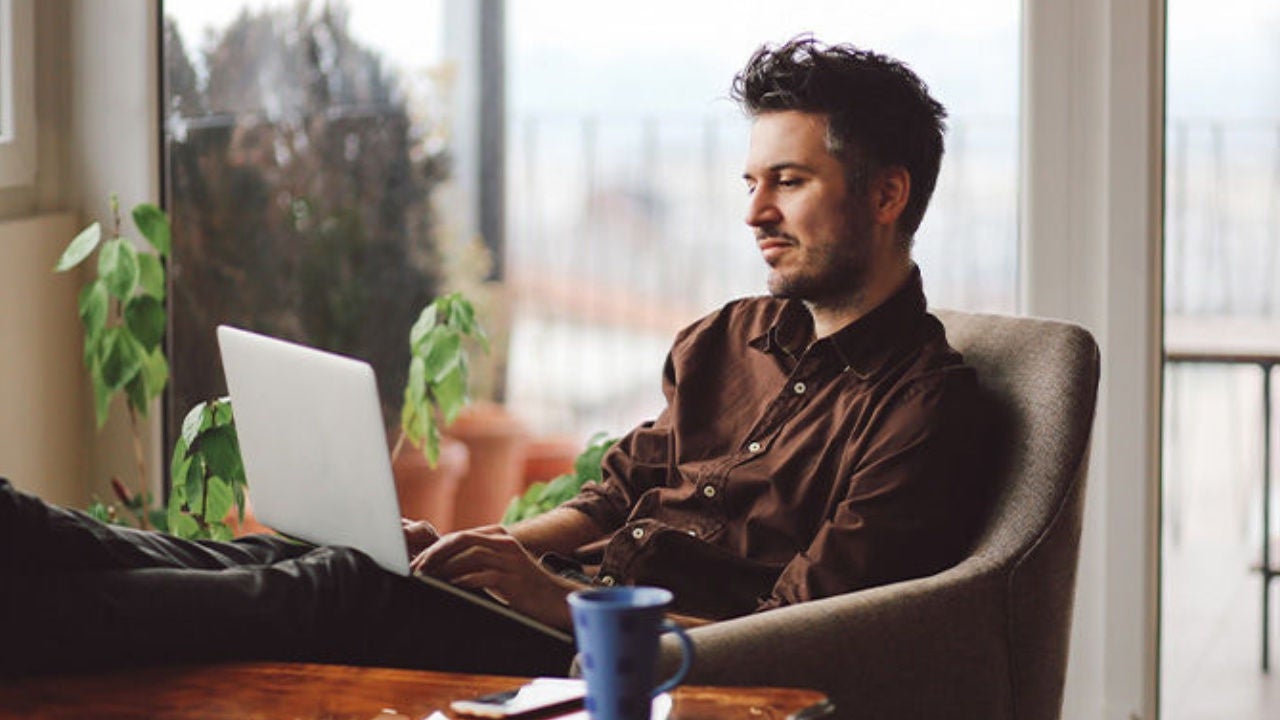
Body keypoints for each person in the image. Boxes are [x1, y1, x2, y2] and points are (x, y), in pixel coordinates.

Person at [0, 35, 988, 678]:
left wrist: (557, 605)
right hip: (562, 600)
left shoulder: (923, 409)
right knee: (305, 555)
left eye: (788, 182)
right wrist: (504, 550)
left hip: (620, 658)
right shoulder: (729, 337)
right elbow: (612, 495)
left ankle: (33, 627)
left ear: (885, 194)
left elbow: (796, 627)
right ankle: (26, 538)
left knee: (343, 587)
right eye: (748, 180)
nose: (752, 211)